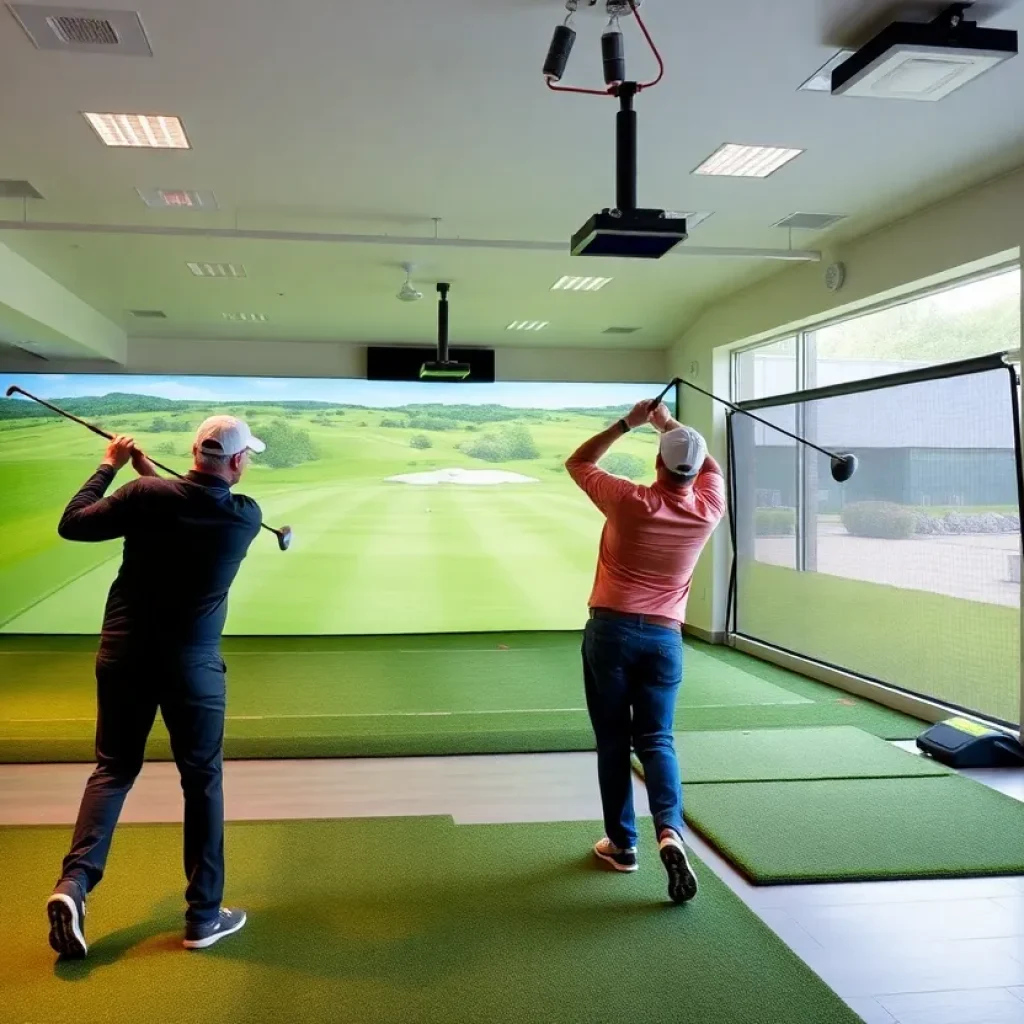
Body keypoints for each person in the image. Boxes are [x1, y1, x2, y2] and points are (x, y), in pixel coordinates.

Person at [46, 416, 267, 958]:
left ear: (194, 451)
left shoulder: (144, 495)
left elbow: (73, 523)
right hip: (192, 668)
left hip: (124, 657)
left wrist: (111, 466)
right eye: (248, 458)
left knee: (114, 770)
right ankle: (203, 919)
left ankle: (74, 886)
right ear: (236, 462)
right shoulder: (245, 516)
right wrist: (148, 479)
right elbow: (187, 505)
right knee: (201, 781)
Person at [565, 399, 725, 903]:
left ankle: (622, 846)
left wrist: (631, 423)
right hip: (664, 640)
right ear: (696, 471)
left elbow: (579, 462)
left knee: (614, 742)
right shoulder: (709, 508)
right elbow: (709, 465)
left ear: (657, 464)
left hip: (611, 633)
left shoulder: (630, 500)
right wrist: (670, 426)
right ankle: (670, 831)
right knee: (656, 741)